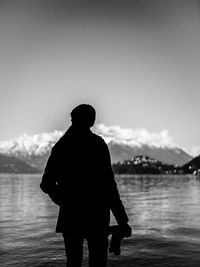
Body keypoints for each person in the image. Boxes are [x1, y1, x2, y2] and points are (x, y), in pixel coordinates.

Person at [40, 104, 131, 267]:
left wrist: (65, 201)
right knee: (98, 263)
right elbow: (109, 186)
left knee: (73, 262)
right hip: (97, 216)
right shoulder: (98, 145)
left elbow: (46, 184)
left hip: (71, 218)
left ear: (72, 119)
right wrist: (122, 220)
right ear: (92, 121)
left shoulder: (61, 147)